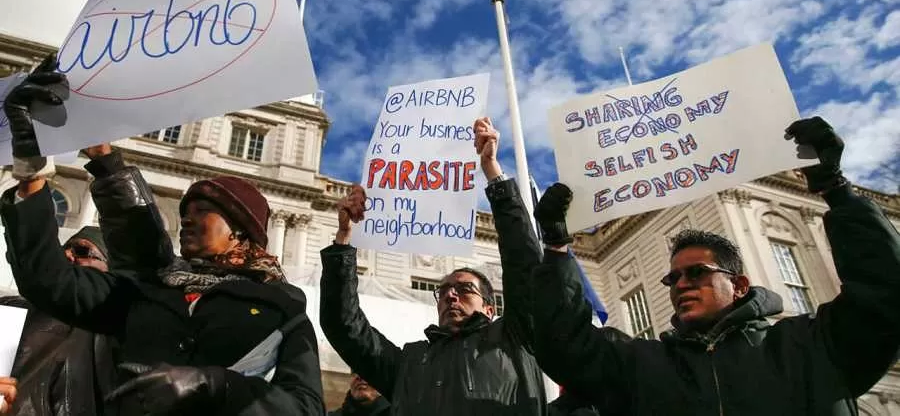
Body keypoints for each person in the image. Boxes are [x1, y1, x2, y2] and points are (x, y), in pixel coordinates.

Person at [1, 54, 326, 416]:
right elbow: (48, 279)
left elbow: (305, 406)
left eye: (203, 212)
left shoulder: (283, 305)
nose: (187, 220)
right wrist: (31, 171)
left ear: (239, 229)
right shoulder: (146, 289)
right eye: (185, 212)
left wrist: (215, 384)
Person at [530, 117, 900, 415]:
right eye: (672, 278)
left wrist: (835, 189)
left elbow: (883, 294)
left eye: (696, 272)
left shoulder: (810, 347)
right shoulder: (643, 367)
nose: (680, 285)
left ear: (739, 285)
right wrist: (558, 250)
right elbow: (565, 346)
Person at [319, 117, 548, 415]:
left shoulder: (515, 337)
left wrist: (493, 173)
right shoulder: (409, 362)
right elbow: (342, 325)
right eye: (443, 291)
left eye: (465, 289)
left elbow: (523, 262)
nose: (451, 295)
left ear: (491, 308)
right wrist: (344, 240)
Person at [0, 226, 116, 416]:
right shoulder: (8, 308)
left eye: (82, 252)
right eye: (64, 248)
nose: (67, 254)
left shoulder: (108, 339)